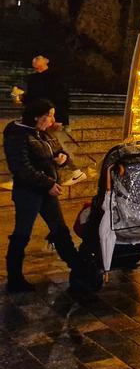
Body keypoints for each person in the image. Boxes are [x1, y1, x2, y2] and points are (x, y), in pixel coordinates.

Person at [4, 98, 81, 293]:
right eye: (50, 115)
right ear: (38, 116)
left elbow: (57, 150)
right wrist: (48, 184)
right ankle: (14, 278)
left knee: (60, 228)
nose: (53, 119)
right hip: (28, 192)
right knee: (22, 233)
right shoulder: (17, 134)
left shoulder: (43, 133)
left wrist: (62, 159)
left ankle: (78, 266)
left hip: (47, 189)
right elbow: (21, 168)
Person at [21, 56, 70, 128]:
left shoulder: (55, 77)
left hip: (52, 116)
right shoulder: (32, 79)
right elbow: (32, 97)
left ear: (46, 61)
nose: (34, 61)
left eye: (38, 59)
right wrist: (22, 98)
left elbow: (62, 99)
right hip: (35, 116)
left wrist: (60, 119)